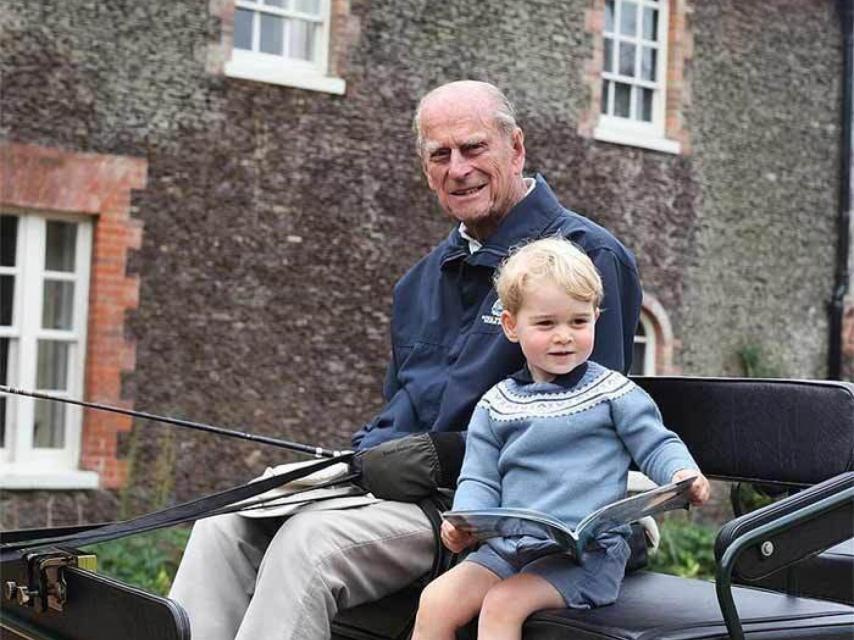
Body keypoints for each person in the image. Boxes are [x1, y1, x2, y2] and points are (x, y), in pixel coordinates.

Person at [168, 80, 643, 640]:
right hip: (395, 493)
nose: (457, 168)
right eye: (440, 155)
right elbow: (401, 410)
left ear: (515, 148)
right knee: (228, 520)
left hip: (492, 514)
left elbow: (586, 426)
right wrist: (370, 452)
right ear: (426, 170)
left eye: (473, 148)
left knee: (308, 545)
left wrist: (439, 457)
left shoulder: (584, 257)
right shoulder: (418, 283)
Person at [412, 238, 710, 640]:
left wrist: (683, 473)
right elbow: (479, 479)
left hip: (586, 557)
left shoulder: (612, 392)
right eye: (546, 323)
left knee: (503, 603)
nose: (564, 336)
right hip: (510, 550)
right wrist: (465, 521)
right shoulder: (496, 404)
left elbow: (656, 444)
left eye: (578, 322)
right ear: (511, 326)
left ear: (595, 318)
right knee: (437, 599)